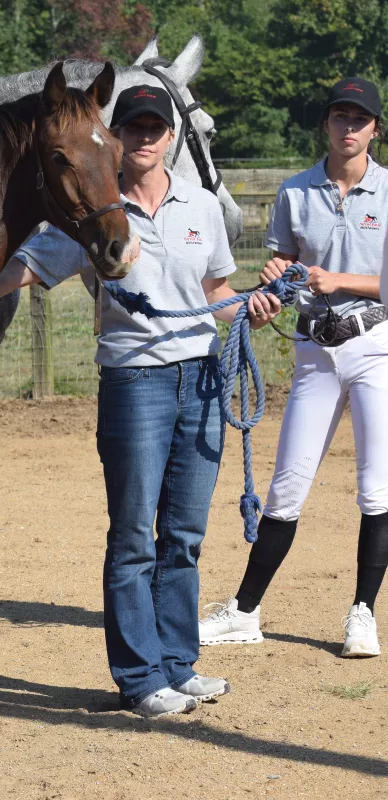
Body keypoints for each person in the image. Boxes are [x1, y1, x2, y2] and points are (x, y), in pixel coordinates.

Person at [0, 85, 282, 716]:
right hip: (135, 382)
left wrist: (249, 308)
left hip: (200, 378)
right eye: (134, 129)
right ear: (120, 139)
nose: (145, 139)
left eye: (155, 129)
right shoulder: (97, 210)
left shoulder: (200, 206)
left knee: (184, 535)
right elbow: (26, 268)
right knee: (133, 539)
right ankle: (141, 678)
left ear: (170, 137)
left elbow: (215, 288)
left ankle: (178, 663)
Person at [200, 78, 388, 657]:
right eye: (339, 116)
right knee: (286, 487)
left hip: (375, 344)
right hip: (313, 350)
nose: (349, 127)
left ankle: (362, 613)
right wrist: (269, 290)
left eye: (360, 118)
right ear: (326, 125)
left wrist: (340, 281)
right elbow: (283, 269)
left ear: (375, 129)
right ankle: (247, 611)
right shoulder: (294, 192)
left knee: (376, 488)